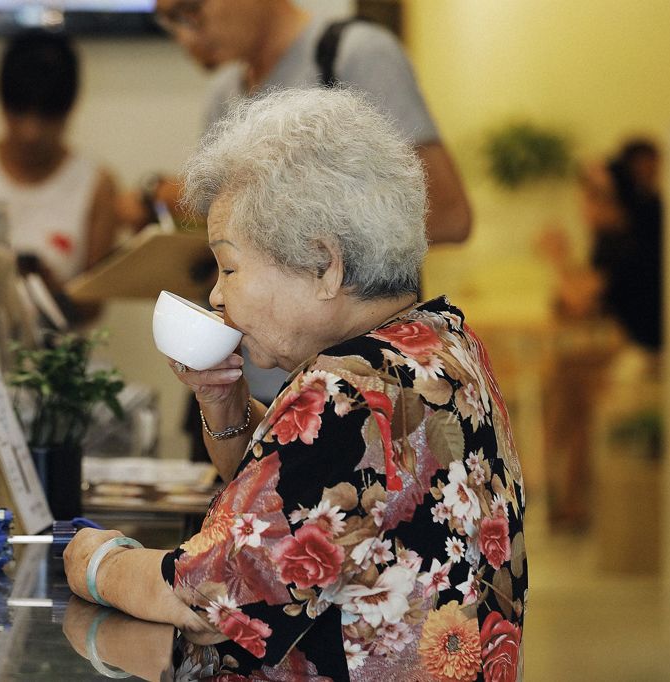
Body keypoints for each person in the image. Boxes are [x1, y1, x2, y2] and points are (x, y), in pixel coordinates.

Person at [64, 88, 526, 680]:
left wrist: (96, 561)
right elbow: (310, 502)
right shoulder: (442, 346)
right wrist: (225, 401)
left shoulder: (345, 392)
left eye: (229, 267)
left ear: (324, 265)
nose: (216, 295)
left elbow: (211, 599)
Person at [126, 0, 471, 247]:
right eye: (169, 23)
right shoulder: (225, 93)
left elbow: (448, 216)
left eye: (190, 10)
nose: (185, 38)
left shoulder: (353, 54)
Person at [538, 140, 663, 529]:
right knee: (563, 382)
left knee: (564, 385)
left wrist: (558, 258)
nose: (583, 208)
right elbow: (581, 301)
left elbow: (579, 301)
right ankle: (568, 497)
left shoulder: (633, 241)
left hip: (650, 351)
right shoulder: (612, 240)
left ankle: (562, 494)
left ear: (610, 201)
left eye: (590, 199)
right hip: (627, 344)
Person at [0, 29, 121, 295]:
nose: (30, 132)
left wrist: (52, 289)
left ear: (69, 109)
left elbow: (93, 305)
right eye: (19, 113)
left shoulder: (97, 185)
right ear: (1, 103)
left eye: (47, 117)